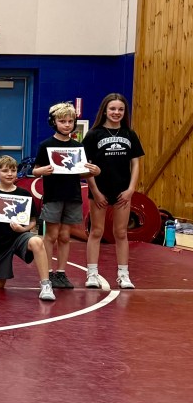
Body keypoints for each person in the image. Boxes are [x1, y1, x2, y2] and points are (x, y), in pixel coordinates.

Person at [33, 102, 101, 289]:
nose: (67, 125)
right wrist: (43, 171)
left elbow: (82, 172)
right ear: (53, 122)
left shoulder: (78, 146)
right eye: (62, 121)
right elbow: (36, 170)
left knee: (65, 235)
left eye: (70, 121)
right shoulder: (46, 145)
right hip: (54, 195)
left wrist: (94, 171)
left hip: (72, 196)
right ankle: (46, 272)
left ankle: (61, 272)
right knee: (52, 235)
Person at [0, 156, 56, 301]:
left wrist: (23, 229)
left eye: (13, 170)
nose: (9, 174)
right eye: (5, 171)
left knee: (37, 241)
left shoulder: (24, 195)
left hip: (20, 237)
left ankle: (46, 284)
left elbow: (33, 221)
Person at [83, 93, 144, 289]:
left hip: (122, 191)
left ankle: (123, 275)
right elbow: (86, 166)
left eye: (120, 109)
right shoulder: (93, 135)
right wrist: (95, 190)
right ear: (105, 110)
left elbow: (135, 164)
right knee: (96, 231)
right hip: (99, 190)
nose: (116, 112)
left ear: (124, 112)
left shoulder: (130, 134)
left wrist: (131, 189)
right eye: (112, 109)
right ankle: (92, 274)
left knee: (121, 232)